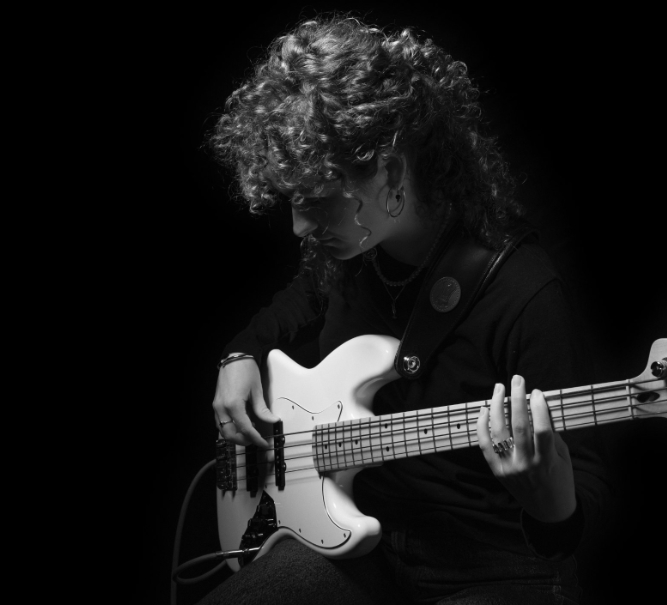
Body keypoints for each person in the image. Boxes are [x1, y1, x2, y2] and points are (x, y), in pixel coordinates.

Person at [203, 15, 611, 604]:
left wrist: (553, 504)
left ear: (391, 171)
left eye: (316, 201)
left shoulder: (523, 290)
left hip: (492, 568)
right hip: (365, 554)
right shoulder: (350, 254)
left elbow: (587, 491)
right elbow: (297, 301)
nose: (298, 227)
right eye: (292, 201)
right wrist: (239, 354)